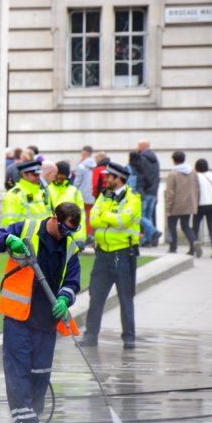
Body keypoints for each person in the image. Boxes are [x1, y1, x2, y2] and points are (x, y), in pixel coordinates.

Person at [0, 202, 82, 423]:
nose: (66, 236)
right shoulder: (26, 229)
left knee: (40, 372)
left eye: (71, 232)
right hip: (18, 316)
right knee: (18, 371)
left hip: (47, 319)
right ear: (54, 218)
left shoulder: (69, 247)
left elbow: (72, 281)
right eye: (64, 229)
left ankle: (33, 417)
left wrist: (64, 298)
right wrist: (7, 241)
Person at [81, 162, 141, 349]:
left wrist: (105, 217)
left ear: (119, 179)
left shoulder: (133, 198)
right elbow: (93, 220)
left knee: (126, 297)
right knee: (96, 296)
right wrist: (111, 218)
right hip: (103, 254)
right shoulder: (103, 196)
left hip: (124, 254)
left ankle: (129, 338)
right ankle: (90, 336)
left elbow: (122, 221)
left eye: (109, 176)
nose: (105, 179)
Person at [165, 151, 201, 256]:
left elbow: (170, 192)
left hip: (175, 204)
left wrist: (168, 207)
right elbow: (197, 188)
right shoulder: (193, 172)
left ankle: (173, 247)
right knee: (186, 226)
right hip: (189, 204)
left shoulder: (173, 174)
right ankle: (194, 241)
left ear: (174, 160)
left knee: (172, 226)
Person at [46, 161, 86, 248]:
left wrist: (80, 237)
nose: (60, 176)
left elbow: (80, 216)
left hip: (69, 232)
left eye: (63, 174)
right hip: (51, 232)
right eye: (58, 173)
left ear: (67, 175)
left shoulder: (74, 191)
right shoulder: (47, 189)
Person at [2, 160, 49, 227]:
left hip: (42, 235)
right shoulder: (14, 194)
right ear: (24, 175)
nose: (38, 177)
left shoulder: (41, 192)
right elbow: (9, 222)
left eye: (38, 174)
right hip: (24, 236)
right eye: (34, 174)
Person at [135, 139, 161, 239]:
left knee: (139, 215)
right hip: (153, 192)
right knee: (148, 217)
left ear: (142, 146)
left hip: (145, 191)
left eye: (138, 146)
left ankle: (153, 231)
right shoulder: (155, 160)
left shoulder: (142, 159)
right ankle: (148, 239)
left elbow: (142, 175)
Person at [193, 158, 212, 258]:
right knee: (211, 227)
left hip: (200, 205)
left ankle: (193, 246)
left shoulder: (196, 176)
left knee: (195, 227)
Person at [73, 146, 96, 237]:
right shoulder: (95, 165)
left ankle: (86, 235)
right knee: (90, 215)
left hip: (82, 194)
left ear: (83, 154)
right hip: (92, 194)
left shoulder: (81, 166)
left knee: (83, 216)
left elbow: (78, 181)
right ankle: (91, 235)